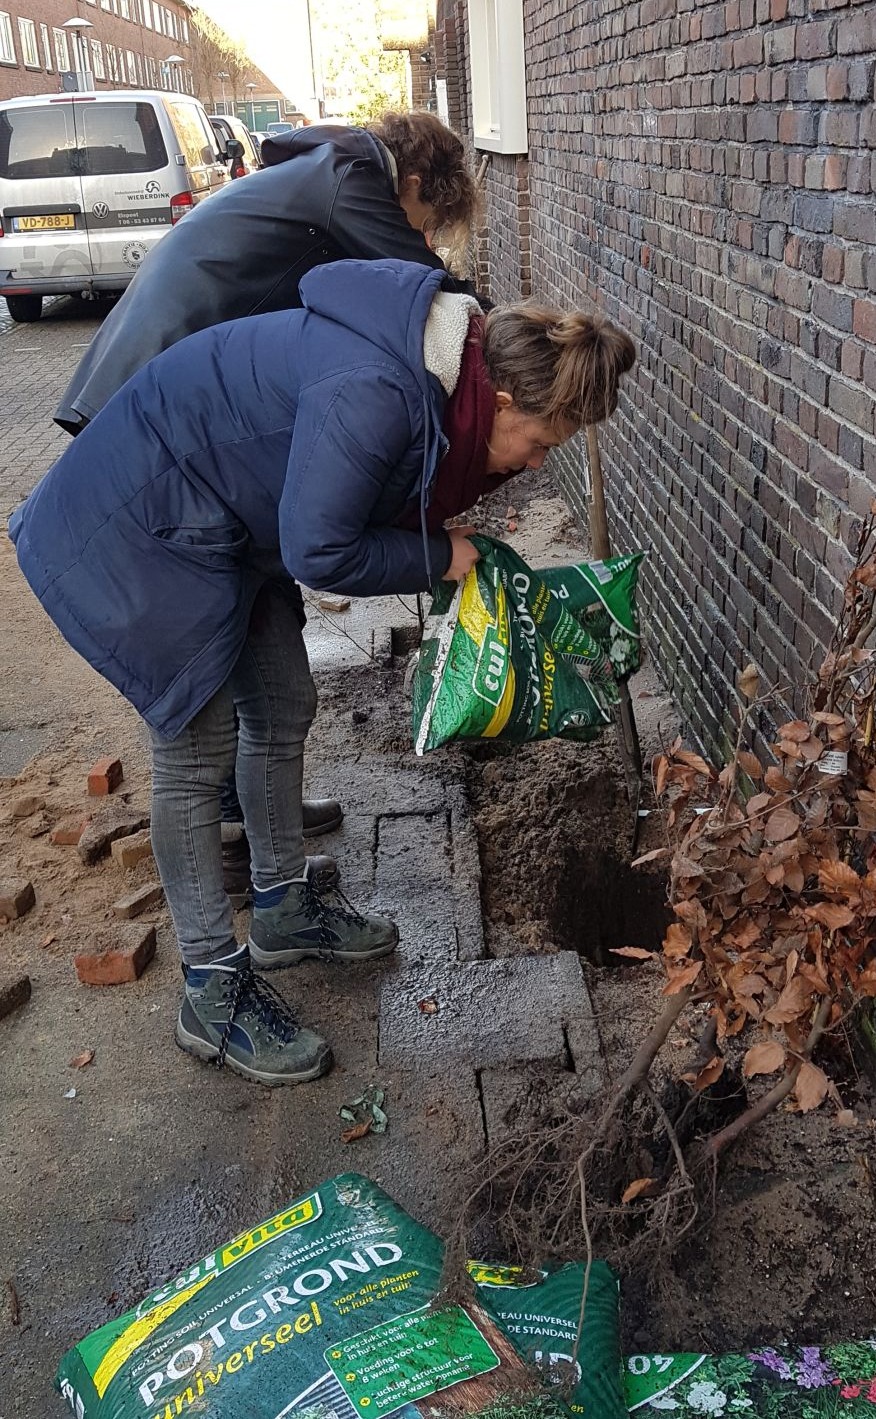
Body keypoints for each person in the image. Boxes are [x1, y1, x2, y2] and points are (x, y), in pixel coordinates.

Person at [12, 258, 636, 1087]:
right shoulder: (381, 389)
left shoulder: (445, 381)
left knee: (282, 702)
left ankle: (282, 906)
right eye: (541, 444)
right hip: (151, 513)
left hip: (231, 516)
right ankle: (210, 986)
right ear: (510, 398)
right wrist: (437, 558)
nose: (531, 465)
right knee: (196, 745)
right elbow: (321, 547)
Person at [54, 110, 480, 905]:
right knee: (212, 660)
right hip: (165, 404)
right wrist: (509, 342)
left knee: (268, 638)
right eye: (427, 220)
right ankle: (223, 838)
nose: (423, 237)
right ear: (416, 184)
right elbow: (418, 288)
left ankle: (255, 805)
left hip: (184, 383)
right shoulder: (354, 176)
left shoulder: (326, 169)